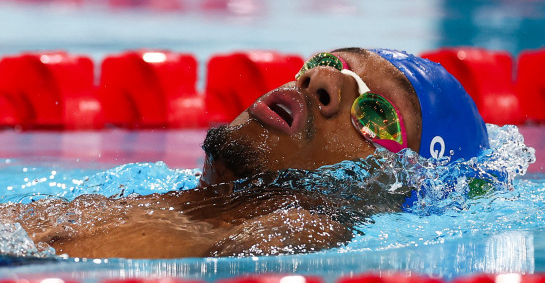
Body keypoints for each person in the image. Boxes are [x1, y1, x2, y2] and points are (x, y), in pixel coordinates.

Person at [0, 48, 489, 259]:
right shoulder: (167, 203)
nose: (320, 82)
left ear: (392, 180)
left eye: (376, 113)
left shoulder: (303, 228)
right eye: (327, 63)